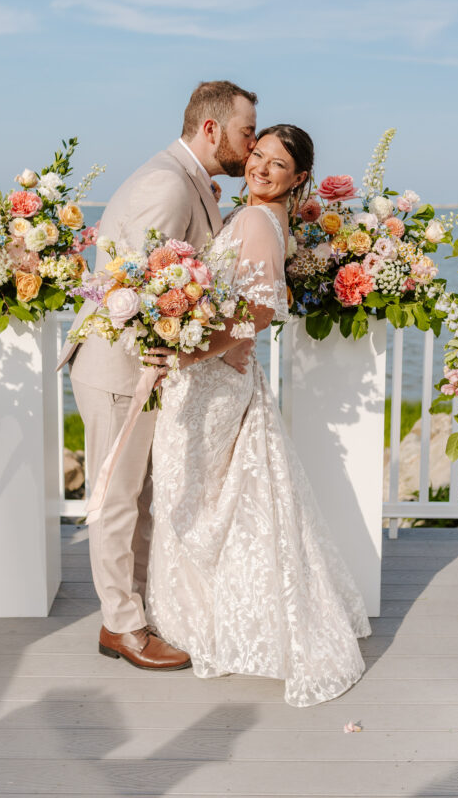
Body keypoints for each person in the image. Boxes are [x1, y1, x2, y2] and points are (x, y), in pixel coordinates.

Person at [145, 125, 371, 706]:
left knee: (189, 494)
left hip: (210, 380)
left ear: (299, 179)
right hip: (217, 375)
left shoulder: (255, 221)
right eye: (259, 154)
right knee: (216, 498)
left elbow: (263, 309)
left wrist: (187, 349)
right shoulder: (259, 219)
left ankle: (202, 622)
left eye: (279, 165)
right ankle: (218, 615)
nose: (262, 168)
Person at [57, 80, 257, 670]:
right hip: (121, 370)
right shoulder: (168, 184)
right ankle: (122, 628)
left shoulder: (188, 179)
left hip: (143, 372)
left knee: (141, 499)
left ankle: (136, 613)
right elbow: (138, 288)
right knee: (119, 501)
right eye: (247, 131)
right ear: (212, 128)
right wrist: (180, 356)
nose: (251, 145)